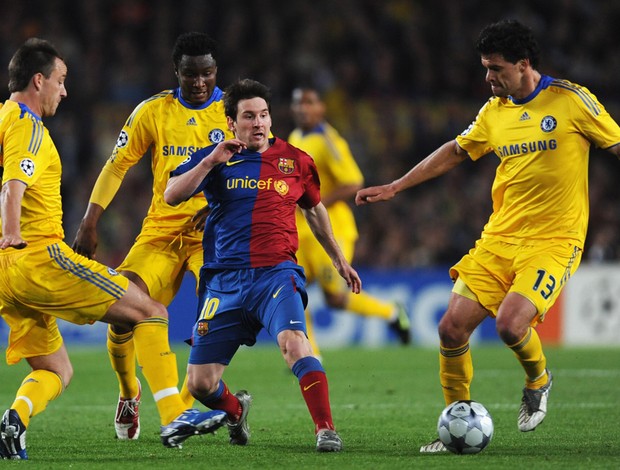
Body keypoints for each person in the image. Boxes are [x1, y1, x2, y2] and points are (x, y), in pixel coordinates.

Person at [355, 19, 620, 453]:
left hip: (555, 240)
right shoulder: (493, 113)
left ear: (523, 64)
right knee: (450, 328)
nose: (488, 78)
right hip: (499, 238)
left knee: (510, 324)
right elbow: (456, 151)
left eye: (495, 68)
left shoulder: (571, 101)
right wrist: (396, 186)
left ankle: (538, 379)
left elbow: (616, 144)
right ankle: (457, 422)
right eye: (485, 68)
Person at [0, 38, 227, 460]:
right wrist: (14, 230)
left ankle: (15, 419)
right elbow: (13, 184)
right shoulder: (28, 125)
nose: (64, 91)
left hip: (6, 274)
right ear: (38, 80)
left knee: (57, 370)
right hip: (38, 256)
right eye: (61, 81)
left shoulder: (3, 118)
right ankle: (174, 413)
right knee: (149, 311)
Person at [164, 78, 362, 452]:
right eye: (249, 116)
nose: (259, 123)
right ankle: (236, 411)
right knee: (200, 384)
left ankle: (325, 428)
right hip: (224, 281)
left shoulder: (297, 160)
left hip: (276, 274)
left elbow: (315, 208)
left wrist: (339, 259)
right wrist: (210, 161)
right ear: (231, 122)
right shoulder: (215, 157)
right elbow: (172, 195)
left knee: (294, 344)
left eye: (264, 115)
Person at [72, 32, 233, 441]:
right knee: (126, 304)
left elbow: (258, 172)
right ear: (175, 72)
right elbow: (116, 165)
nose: (199, 82)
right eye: (190, 74)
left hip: (212, 234)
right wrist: (90, 221)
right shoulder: (153, 111)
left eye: (207, 73)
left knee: (212, 318)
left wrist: (223, 209)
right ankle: (129, 392)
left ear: (217, 71)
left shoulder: (235, 112)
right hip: (161, 231)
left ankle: (180, 409)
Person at [288, 86, 411, 357]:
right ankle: (310, 355)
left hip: (332, 230)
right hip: (300, 230)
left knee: (335, 298)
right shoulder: (295, 136)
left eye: (309, 103)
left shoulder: (330, 140)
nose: (302, 108)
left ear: (321, 108)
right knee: (288, 288)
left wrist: (315, 203)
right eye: (298, 103)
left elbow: (353, 182)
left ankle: (391, 312)